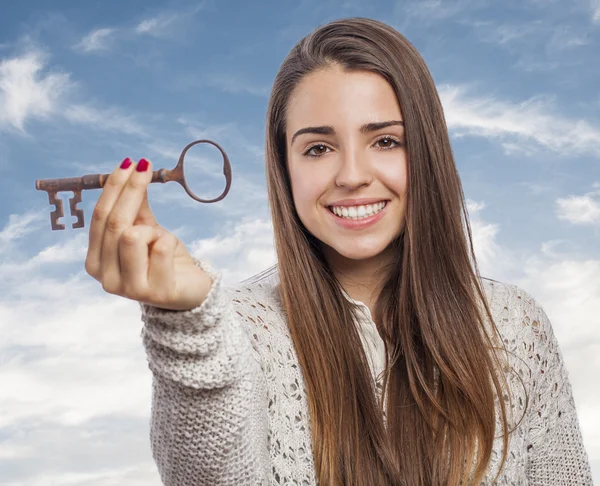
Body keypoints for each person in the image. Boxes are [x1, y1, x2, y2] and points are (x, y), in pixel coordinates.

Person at [84, 17, 593, 486]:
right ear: (284, 170)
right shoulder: (233, 332)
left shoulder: (514, 326)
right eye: (318, 149)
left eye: (386, 141)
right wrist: (187, 324)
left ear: (428, 152)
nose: (351, 175)